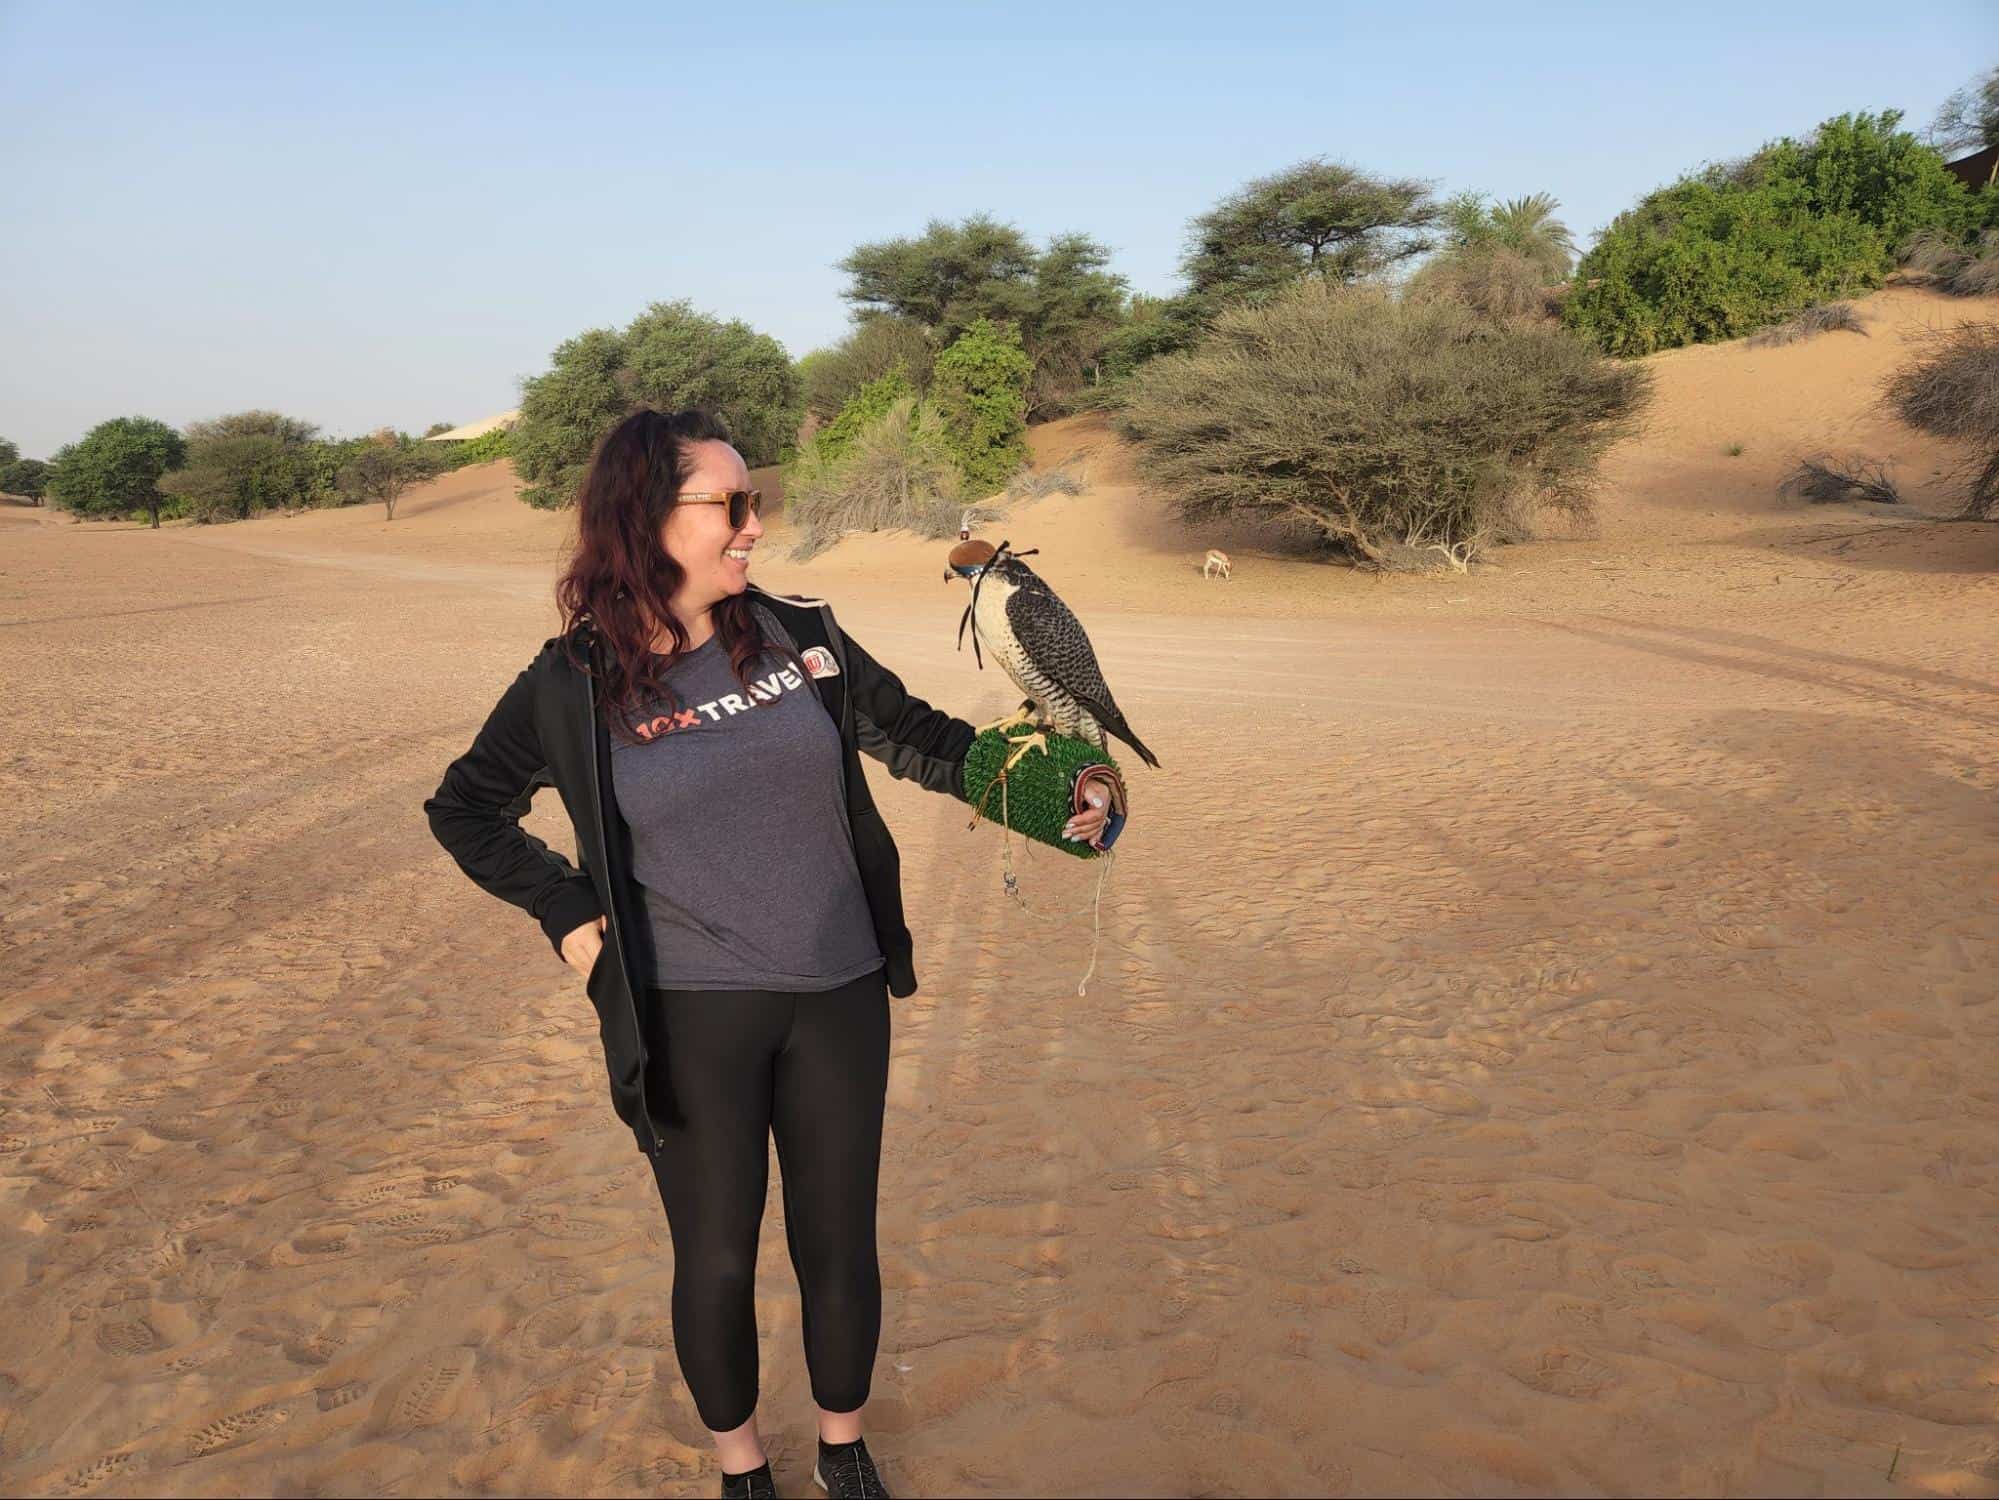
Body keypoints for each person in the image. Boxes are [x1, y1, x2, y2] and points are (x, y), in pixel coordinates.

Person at [424, 407, 1110, 1499]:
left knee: (840, 1244)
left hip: (839, 989)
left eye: (756, 502)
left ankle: (844, 1446)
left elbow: (924, 739)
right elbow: (464, 810)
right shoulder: (572, 683)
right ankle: (743, 1466)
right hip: (689, 1010)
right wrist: (567, 916)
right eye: (730, 505)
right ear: (646, 520)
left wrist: (1056, 791)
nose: (754, 526)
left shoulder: (802, 632)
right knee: (718, 1260)